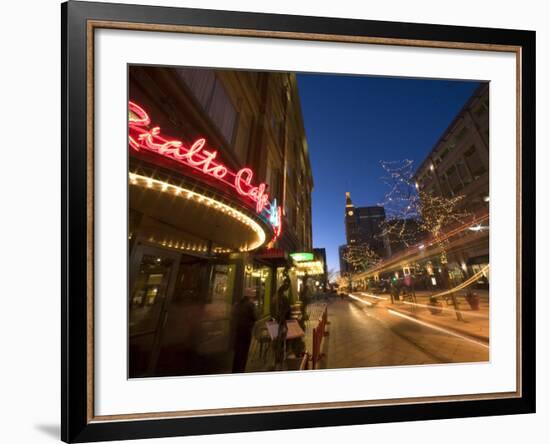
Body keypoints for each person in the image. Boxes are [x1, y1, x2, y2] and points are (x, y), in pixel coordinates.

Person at [231, 288, 257, 373]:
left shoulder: (237, 304)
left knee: (238, 351)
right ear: (250, 296)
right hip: (246, 330)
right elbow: (255, 317)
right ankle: (241, 370)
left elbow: (233, 315)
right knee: (244, 351)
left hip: (238, 330)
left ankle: (235, 369)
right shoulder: (250, 305)